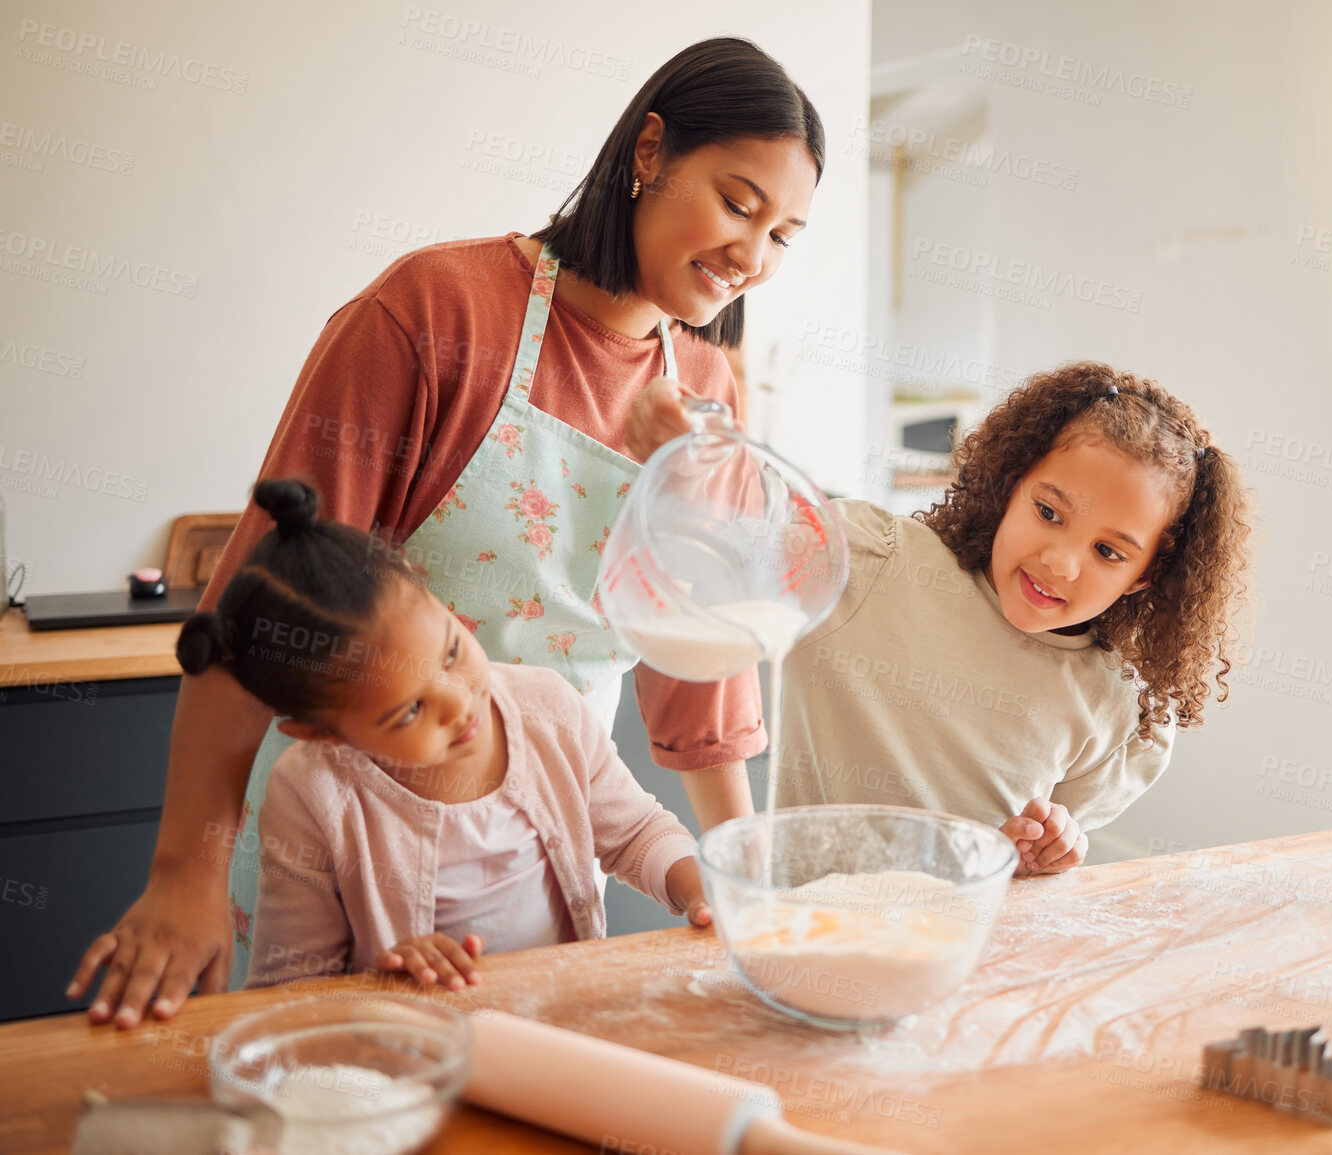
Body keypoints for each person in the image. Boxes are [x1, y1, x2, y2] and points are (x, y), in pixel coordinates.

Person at [68, 36, 822, 1027]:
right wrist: (186, 874)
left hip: (538, 830)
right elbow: (262, 605)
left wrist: (742, 876)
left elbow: (698, 667)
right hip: (349, 835)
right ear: (648, 153)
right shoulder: (437, 313)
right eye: (738, 202)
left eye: (784, 235)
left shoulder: (709, 391)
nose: (753, 257)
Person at [178, 481, 710, 990]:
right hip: (419, 1058)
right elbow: (290, 989)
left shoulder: (549, 710)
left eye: (452, 652)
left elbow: (636, 833)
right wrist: (385, 982)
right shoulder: (313, 795)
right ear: (322, 734)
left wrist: (697, 886)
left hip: (560, 1025)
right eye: (410, 710)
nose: (459, 703)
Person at [772, 362, 1254, 874]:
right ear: (1010, 484)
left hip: (960, 944)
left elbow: (1019, 864)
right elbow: (725, 530)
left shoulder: (1116, 708)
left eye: (1108, 552)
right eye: (1048, 512)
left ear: (1146, 576)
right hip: (800, 931)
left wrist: (1041, 849)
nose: (1061, 563)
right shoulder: (869, 563)